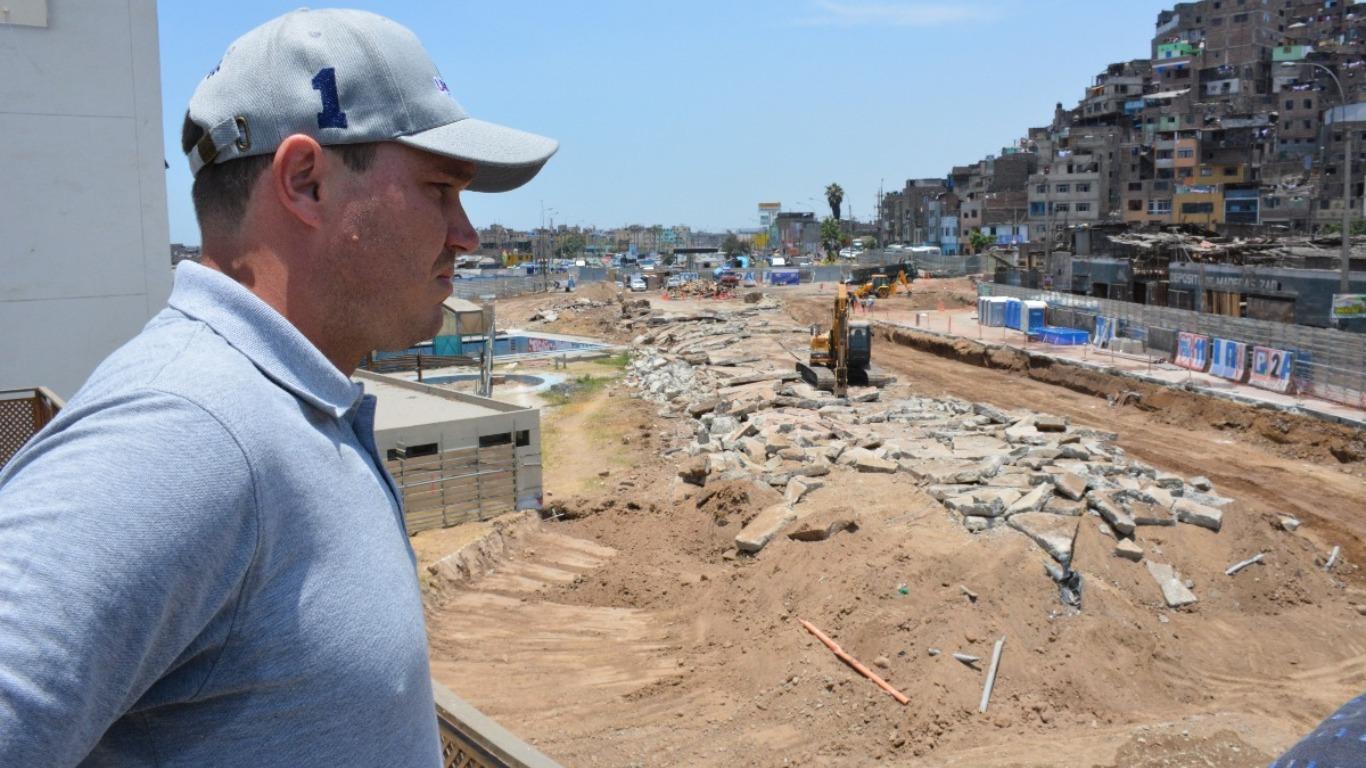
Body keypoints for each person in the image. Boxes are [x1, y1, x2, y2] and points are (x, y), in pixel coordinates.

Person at [0, 9, 556, 767]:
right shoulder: (181, 434)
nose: (468, 234)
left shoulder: (280, 407)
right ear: (305, 182)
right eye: (439, 189)